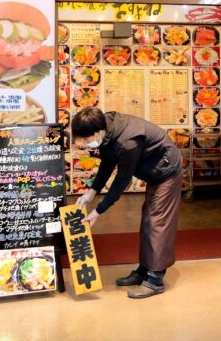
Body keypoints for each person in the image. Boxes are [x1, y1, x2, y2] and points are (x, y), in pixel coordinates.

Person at [72, 107, 183, 299]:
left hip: (166, 171)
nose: (84, 144)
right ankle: (144, 270)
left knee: (157, 222)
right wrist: (91, 192)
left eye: (86, 140)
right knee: (148, 219)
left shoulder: (127, 142)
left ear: (98, 132)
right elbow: (107, 163)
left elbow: (122, 180)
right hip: (153, 169)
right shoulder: (106, 127)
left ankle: (155, 279)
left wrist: (98, 210)